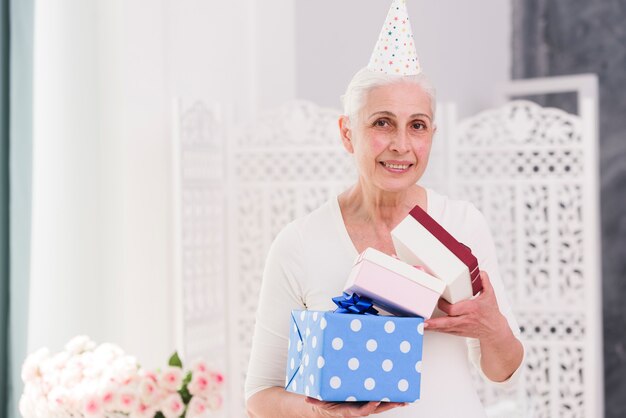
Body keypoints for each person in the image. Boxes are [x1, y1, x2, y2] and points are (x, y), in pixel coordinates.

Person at [245, 2, 524, 417]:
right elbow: (259, 397)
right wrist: (321, 413)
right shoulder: (299, 243)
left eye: (417, 125)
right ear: (347, 132)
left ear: (432, 133)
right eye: (381, 123)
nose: (401, 144)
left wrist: (491, 327)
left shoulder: (462, 224)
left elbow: (504, 372)